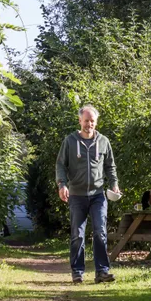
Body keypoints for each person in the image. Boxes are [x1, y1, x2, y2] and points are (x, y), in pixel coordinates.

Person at [56, 105, 120, 284]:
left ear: (96, 122)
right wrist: (62, 185)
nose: (89, 124)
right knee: (78, 234)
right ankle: (77, 272)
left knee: (100, 232)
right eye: (86, 121)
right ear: (80, 121)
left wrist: (114, 184)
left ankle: (102, 272)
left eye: (92, 121)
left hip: (98, 195)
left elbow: (110, 166)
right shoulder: (70, 141)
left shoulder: (104, 141)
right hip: (76, 195)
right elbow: (61, 165)